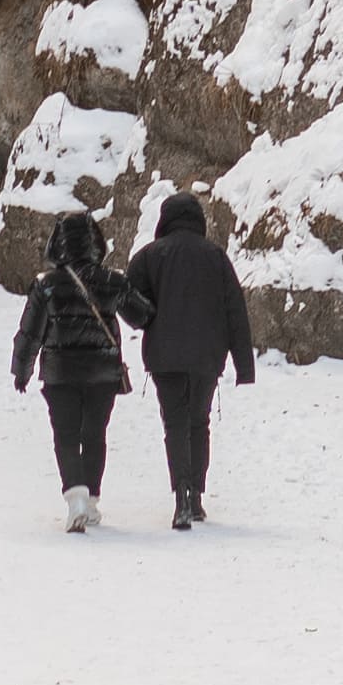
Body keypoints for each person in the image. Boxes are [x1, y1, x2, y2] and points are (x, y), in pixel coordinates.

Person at [118, 187, 257, 530]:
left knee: (175, 424)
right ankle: (196, 497)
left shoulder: (149, 256)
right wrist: (243, 365)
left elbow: (125, 298)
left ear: (165, 219)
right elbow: (235, 311)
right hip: (207, 357)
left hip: (165, 356)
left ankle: (180, 494)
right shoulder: (216, 256)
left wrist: (147, 320)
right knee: (200, 422)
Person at [10, 203, 132, 530]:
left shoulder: (46, 284)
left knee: (65, 434)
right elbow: (142, 314)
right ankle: (91, 501)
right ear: (95, 241)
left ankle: (75, 498)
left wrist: (21, 370)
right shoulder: (111, 280)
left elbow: (30, 332)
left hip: (60, 373)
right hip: (103, 373)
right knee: (95, 434)